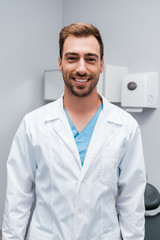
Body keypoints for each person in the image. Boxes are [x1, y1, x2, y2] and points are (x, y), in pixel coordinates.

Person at [2, 23, 146, 240]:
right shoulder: (33, 124)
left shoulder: (125, 127)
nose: (81, 68)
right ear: (60, 63)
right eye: (72, 58)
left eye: (90, 58)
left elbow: (132, 202)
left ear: (101, 64)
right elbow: (17, 198)